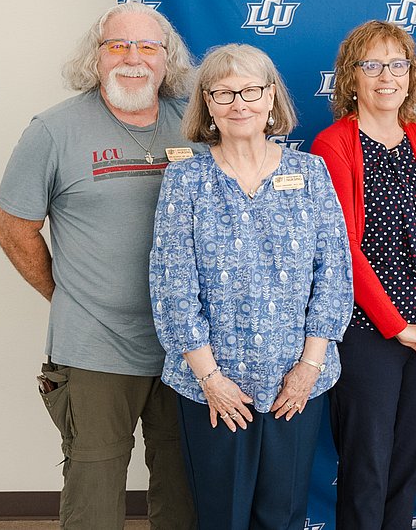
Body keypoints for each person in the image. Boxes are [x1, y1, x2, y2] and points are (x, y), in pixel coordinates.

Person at [0, 1, 197, 529]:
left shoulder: (196, 123)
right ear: (96, 56)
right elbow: (14, 227)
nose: (133, 58)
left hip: (188, 348)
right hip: (94, 348)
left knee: (184, 490)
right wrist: (66, 295)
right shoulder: (53, 130)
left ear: (167, 59)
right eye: (118, 45)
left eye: (148, 46)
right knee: (94, 496)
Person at [148, 44, 353, 530]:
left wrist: (308, 367)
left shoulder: (310, 173)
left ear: (270, 99)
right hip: (215, 388)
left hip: (294, 385)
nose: (239, 102)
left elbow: (334, 274)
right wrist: (211, 380)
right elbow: (172, 285)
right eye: (224, 92)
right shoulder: (186, 180)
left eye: (251, 90)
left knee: (283, 515)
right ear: (208, 105)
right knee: (222, 516)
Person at [311, 21, 416, 530]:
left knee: (406, 470)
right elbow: (341, 251)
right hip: (367, 335)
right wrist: (396, 326)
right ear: (351, 78)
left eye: (397, 65)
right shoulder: (333, 146)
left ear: (411, 75)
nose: (386, 77)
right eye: (371, 65)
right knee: (367, 472)